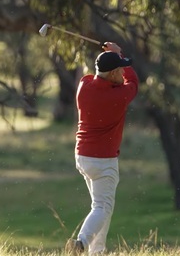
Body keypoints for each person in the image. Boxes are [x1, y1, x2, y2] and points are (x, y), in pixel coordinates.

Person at [67, 42, 139, 254]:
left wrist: (111, 57)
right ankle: (80, 243)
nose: (122, 73)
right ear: (114, 73)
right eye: (120, 70)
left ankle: (97, 251)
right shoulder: (120, 95)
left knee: (100, 208)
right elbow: (133, 82)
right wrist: (118, 53)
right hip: (103, 162)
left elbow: (95, 76)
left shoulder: (84, 86)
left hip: (83, 156)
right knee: (102, 207)